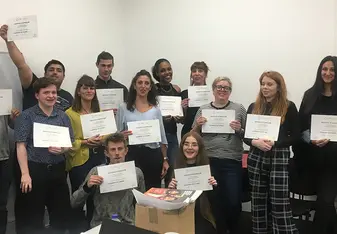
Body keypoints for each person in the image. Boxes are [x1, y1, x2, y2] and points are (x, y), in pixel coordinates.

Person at [14, 77, 74, 234]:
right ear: (37, 95)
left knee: (60, 216)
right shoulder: (26, 116)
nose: (51, 96)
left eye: (54, 92)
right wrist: (25, 174)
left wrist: (62, 150)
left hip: (58, 171)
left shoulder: (63, 116)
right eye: (46, 92)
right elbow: (21, 146)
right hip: (35, 170)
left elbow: (70, 143)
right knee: (32, 218)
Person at [244, 71, 299, 234]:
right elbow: (247, 136)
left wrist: (276, 143)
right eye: (262, 84)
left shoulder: (289, 107)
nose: (265, 87)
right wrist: (255, 142)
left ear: (279, 87)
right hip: (256, 157)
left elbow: (296, 136)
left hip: (279, 158)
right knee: (258, 201)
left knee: (279, 201)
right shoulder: (253, 107)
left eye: (269, 84)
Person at [192, 77, 246, 234]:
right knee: (213, 200)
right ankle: (218, 230)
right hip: (208, 160)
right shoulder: (203, 109)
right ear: (213, 89)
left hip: (231, 161)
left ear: (230, 91)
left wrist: (239, 129)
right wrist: (197, 126)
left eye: (226, 88)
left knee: (233, 200)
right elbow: (191, 137)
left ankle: (232, 229)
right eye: (219, 87)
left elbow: (248, 135)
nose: (222, 90)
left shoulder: (239, 108)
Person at [293, 56, 337, 234]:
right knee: (324, 203)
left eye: (332, 69)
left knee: (325, 202)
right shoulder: (309, 95)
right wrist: (310, 138)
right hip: (312, 159)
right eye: (324, 69)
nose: (328, 73)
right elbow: (301, 127)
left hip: (333, 162)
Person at [71, 132, 145, 228]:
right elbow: (74, 202)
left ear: (126, 150)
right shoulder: (96, 172)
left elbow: (142, 204)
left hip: (128, 224)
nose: (117, 153)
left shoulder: (136, 173)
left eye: (120, 149)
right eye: (113, 149)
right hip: (100, 225)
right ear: (106, 152)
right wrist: (87, 187)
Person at [116, 69, 169, 190]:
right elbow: (116, 136)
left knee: (152, 191)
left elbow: (162, 137)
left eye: (146, 83)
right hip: (131, 154)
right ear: (134, 85)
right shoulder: (123, 108)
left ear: (150, 87)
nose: (143, 86)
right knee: (132, 191)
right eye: (140, 83)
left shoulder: (155, 109)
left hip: (153, 155)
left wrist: (165, 159)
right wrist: (121, 136)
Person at [0, 25, 73, 111]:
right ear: (45, 74)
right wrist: (8, 40)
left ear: (64, 76)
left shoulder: (68, 97)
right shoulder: (34, 85)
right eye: (51, 70)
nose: (55, 72)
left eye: (59, 70)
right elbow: (21, 65)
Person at [66, 75, 106, 231]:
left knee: (97, 199)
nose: (89, 91)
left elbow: (108, 133)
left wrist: (102, 139)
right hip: (79, 161)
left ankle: (94, 230)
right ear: (78, 91)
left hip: (99, 158)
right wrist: (85, 142)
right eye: (85, 87)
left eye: (92, 88)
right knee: (80, 197)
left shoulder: (99, 111)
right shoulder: (70, 114)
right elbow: (68, 141)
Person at [168, 131, 217, 234]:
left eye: (194, 145)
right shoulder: (175, 167)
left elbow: (215, 203)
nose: (189, 147)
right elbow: (169, 203)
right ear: (181, 147)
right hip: (180, 215)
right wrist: (170, 190)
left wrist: (214, 187)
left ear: (200, 148)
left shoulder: (208, 170)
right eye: (186, 144)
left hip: (202, 214)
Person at [152, 58, 182, 187]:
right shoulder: (151, 90)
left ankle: (171, 204)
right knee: (156, 173)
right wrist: (161, 119)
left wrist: (180, 117)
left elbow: (182, 118)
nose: (167, 72)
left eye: (169, 69)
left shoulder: (176, 90)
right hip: (156, 137)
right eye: (162, 70)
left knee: (172, 174)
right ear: (157, 73)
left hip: (172, 136)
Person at [0, 108, 20, 234]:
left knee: (2, 202)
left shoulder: (2, 99)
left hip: (4, 157)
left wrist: (14, 118)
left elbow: (12, 125)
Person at [181, 61, 209, 138]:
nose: (197, 73)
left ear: (205, 74)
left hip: (206, 132)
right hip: (188, 131)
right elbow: (182, 120)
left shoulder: (212, 93)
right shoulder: (184, 94)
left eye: (200, 71)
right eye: (194, 71)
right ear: (191, 75)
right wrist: (183, 109)